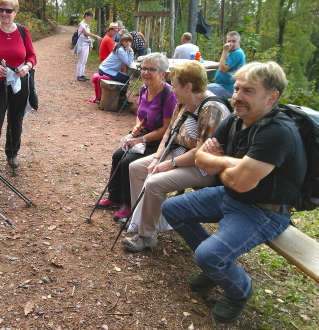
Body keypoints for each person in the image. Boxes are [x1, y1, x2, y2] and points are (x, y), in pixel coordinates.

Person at [162, 62, 306, 323]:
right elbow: (201, 159)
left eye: (248, 91)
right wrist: (231, 162)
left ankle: (239, 290)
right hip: (230, 195)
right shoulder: (235, 118)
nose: (237, 96)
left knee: (208, 255)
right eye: (237, 88)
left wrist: (220, 160)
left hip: (263, 211)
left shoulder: (277, 132)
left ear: (271, 97)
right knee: (172, 208)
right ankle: (214, 269)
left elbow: (239, 182)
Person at [122, 61, 231, 252]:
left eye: (175, 85)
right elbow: (168, 133)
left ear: (188, 87)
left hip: (203, 167)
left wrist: (170, 164)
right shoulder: (183, 103)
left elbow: (201, 152)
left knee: (154, 183)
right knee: (136, 168)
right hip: (177, 153)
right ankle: (141, 219)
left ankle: (147, 235)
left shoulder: (212, 109)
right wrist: (157, 158)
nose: (171, 90)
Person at [97, 53, 176, 221]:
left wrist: (142, 139)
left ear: (163, 73)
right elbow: (141, 115)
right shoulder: (144, 88)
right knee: (118, 155)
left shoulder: (169, 95)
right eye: (144, 68)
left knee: (127, 162)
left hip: (159, 141)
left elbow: (166, 129)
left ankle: (129, 203)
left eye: (151, 69)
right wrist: (137, 127)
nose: (146, 73)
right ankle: (115, 197)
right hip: (144, 135)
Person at [0, 0, 37, 169]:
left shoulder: (22, 30)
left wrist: (26, 67)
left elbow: (32, 56)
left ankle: (12, 154)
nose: (4, 13)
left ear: (15, 12)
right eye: (1, 10)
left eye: (8, 10)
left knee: (15, 119)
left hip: (19, 82)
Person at [99, 30, 135, 107]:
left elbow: (128, 61)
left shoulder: (125, 49)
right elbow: (129, 63)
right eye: (126, 41)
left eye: (129, 42)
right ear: (122, 42)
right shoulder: (121, 50)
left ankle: (122, 98)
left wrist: (126, 60)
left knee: (126, 78)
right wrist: (131, 52)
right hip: (105, 70)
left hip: (111, 70)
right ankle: (121, 99)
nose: (128, 44)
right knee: (126, 78)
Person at [208, 31, 246, 97]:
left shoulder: (237, 53)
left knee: (198, 89)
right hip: (221, 86)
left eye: (234, 41)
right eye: (229, 41)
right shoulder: (232, 52)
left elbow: (222, 69)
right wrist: (207, 67)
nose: (231, 44)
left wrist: (225, 51)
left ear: (239, 42)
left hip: (227, 88)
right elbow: (222, 64)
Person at [74, 11, 102, 81]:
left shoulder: (86, 25)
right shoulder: (82, 24)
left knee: (84, 60)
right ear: (86, 16)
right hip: (82, 44)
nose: (90, 18)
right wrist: (96, 36)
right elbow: (86, 33)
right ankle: (78, 75)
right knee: (81, 60)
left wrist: (90, 45)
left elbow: (88, 37)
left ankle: (82, 74)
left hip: (87, 44)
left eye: (91, 17)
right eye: (90, 17)